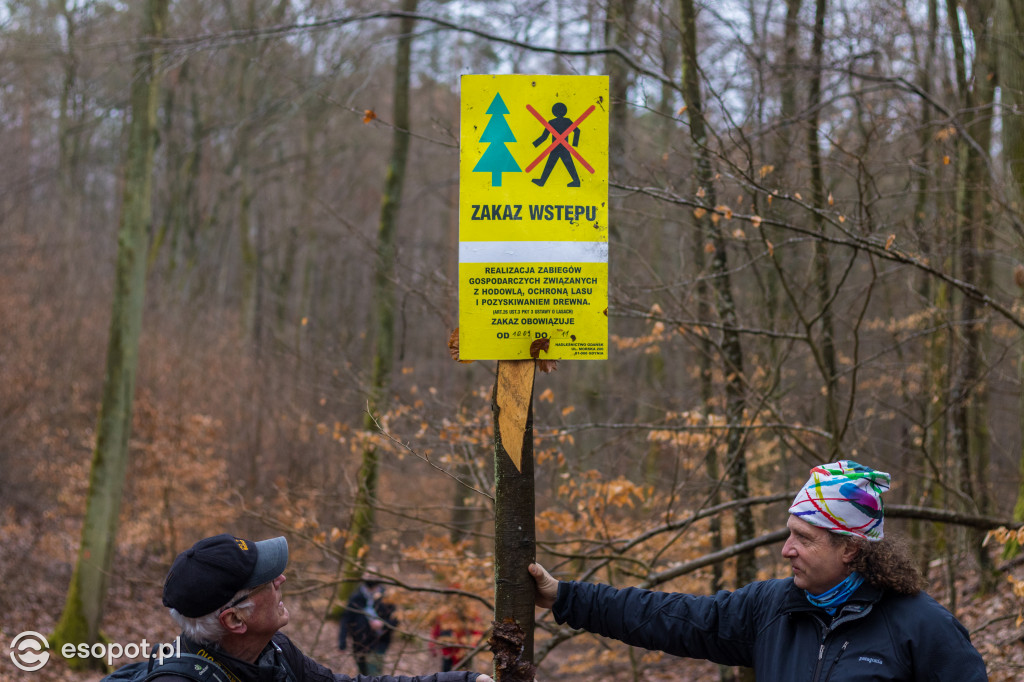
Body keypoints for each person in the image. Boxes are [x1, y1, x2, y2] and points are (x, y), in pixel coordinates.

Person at [529, 460, 989, 681]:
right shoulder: (772, 607)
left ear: (851, 548)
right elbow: (670, 617)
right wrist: (566, 597)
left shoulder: (922, 626)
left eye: (804, 538)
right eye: (788, 534)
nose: (787, 550)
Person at [157, 533, 493, 682]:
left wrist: (463, 679)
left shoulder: (275, 652)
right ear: (235, 619)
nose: (282, 580)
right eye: (268, 581)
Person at [338, 577, 397, 675]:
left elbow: (395, 619)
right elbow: (346, 619)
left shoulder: (387, 598)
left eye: (372, 574)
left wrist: (382, 625)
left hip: (379, 643)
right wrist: (342, 642)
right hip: (359, 643)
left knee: (374, 675)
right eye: (367, 574)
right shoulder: (356, 597)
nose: (369, 577)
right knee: (363, 674)